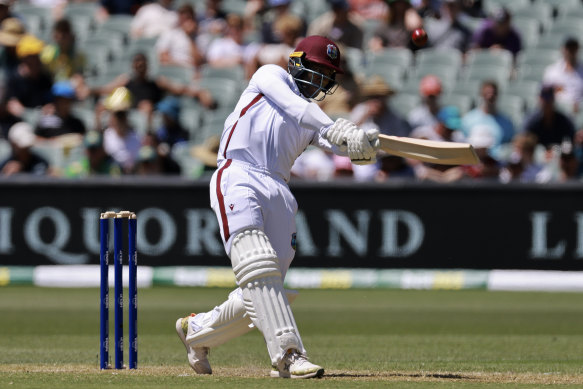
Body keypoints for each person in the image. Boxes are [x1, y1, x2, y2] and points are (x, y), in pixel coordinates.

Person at [175, 36, 379, 379]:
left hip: (279, 189)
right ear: (297, 63)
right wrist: (334, 127)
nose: (321, 81)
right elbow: (301, 110)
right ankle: (288, 354)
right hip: (238, 173)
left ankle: (196, 330)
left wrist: (364, 144)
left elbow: (338, 144)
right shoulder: (270, 76)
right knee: (258, 265)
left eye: (326, 76)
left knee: (266, 288)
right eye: (316, 71)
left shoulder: (313, 119)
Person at [461, 80, 514, 158]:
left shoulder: (506, 122)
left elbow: (510, 145)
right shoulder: (468, 120)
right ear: (481, 94)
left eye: (493, 94)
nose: (490, 97)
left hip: (495, 163)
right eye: (487, 93)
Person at [5, 35, 53, 117]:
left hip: (43, 121)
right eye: (32, 57)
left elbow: (50, 105)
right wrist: (31, 114)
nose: (35, 60)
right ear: (24, 59)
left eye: (37, 56)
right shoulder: (14, 79)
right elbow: (13, 107)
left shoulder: (45, 79)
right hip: (19, 123)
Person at [101, 87, 142, 174]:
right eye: (117, 115)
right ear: (112, 117)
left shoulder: (137, 138)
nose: (120, 119)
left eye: (122, 115)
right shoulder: (105, 137)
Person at [542, 37, 583, 114]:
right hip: (558, 113)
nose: (571, 52)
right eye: (569, 48)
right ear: (563, 49)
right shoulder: (552, 71)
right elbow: (545, 95)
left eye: (573, 48)